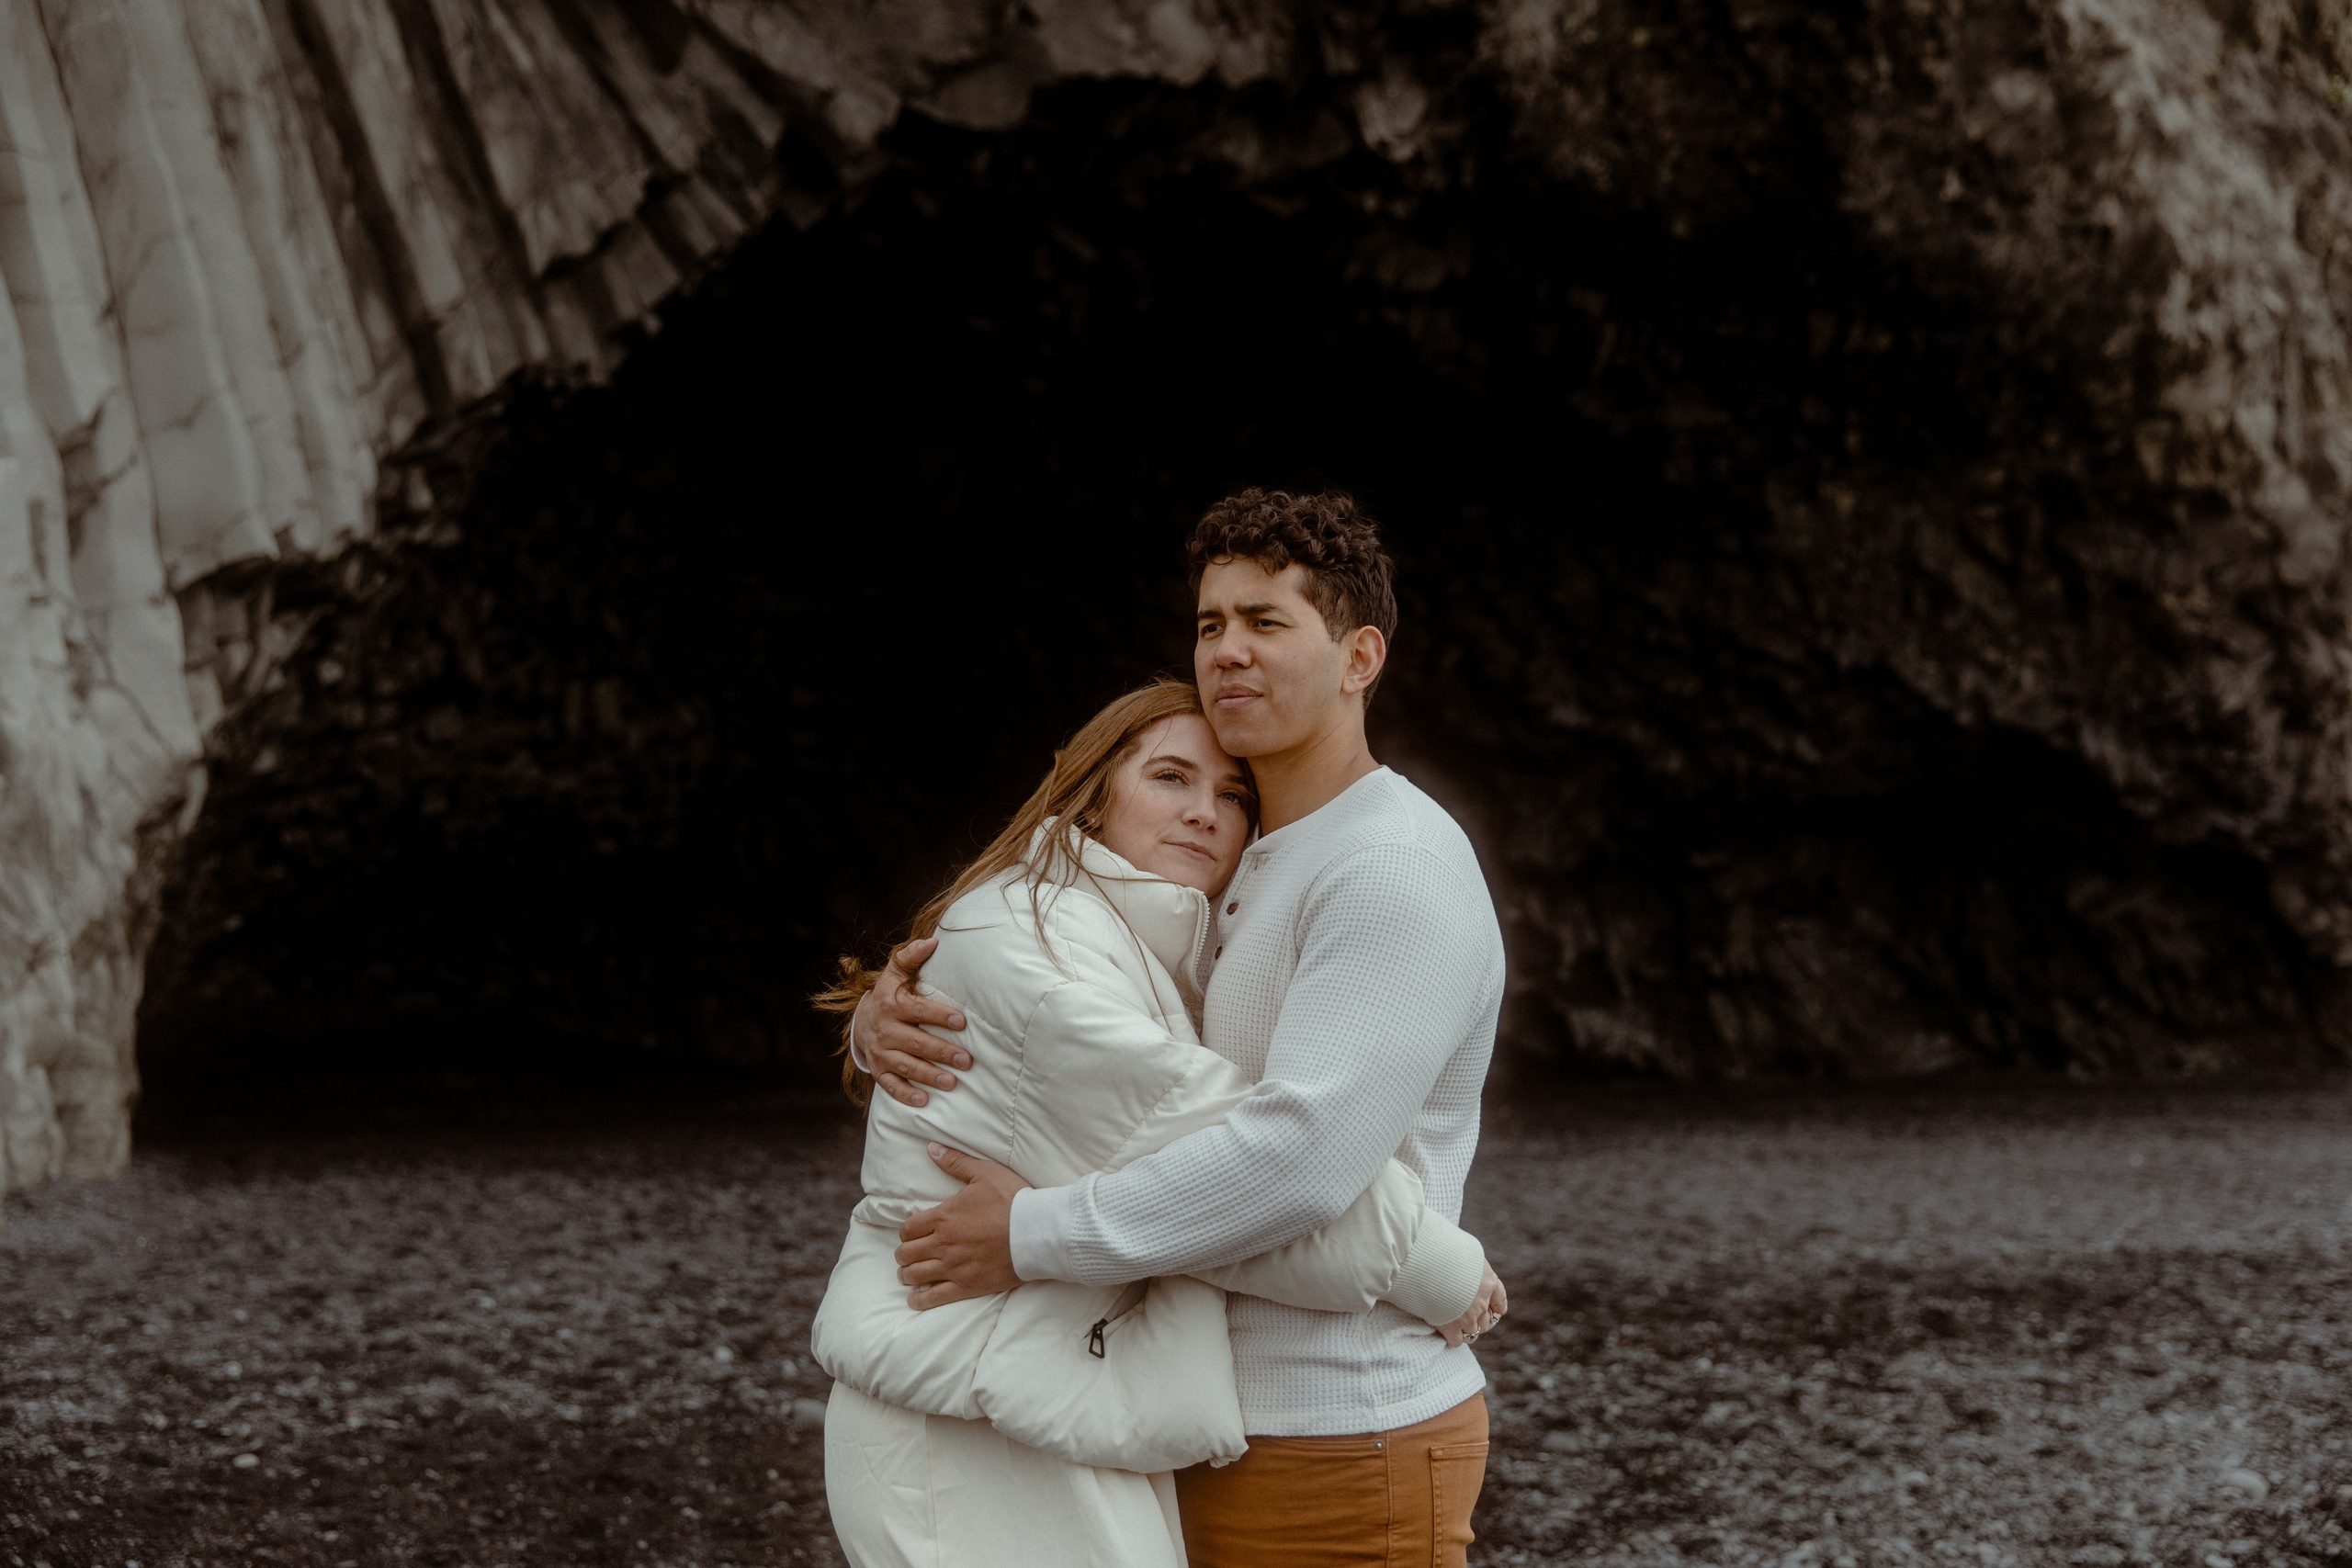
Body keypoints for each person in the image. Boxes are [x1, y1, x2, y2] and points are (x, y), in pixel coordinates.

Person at [860, 489, 1510, 1567]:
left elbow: (1301, 1163)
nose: (1229, 653)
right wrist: (891, 1016)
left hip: (1347, 1424)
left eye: (1266, 622)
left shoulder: (1389, 870)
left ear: (1360, 660)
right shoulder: (1238, 860)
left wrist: (1031, 1237)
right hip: (1204, 1421)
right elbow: (1075, 1017)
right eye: (1211, 625)